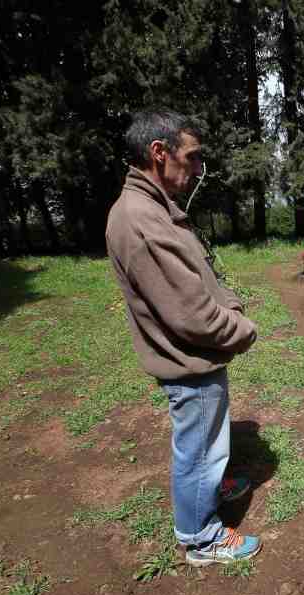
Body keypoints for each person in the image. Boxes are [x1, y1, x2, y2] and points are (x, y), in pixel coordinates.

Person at [105, 110, 261, 566]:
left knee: (205, 442)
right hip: (188, 359)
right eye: (191, 158)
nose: (196, 169)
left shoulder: (149, 207)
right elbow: (192, 315)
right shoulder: (140, 220)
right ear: (159, 152)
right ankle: (200, 537)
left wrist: (226, 301)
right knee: (198, 450)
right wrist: (242, 330)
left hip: (193, 358)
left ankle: (207, 490)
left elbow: (193, 279)